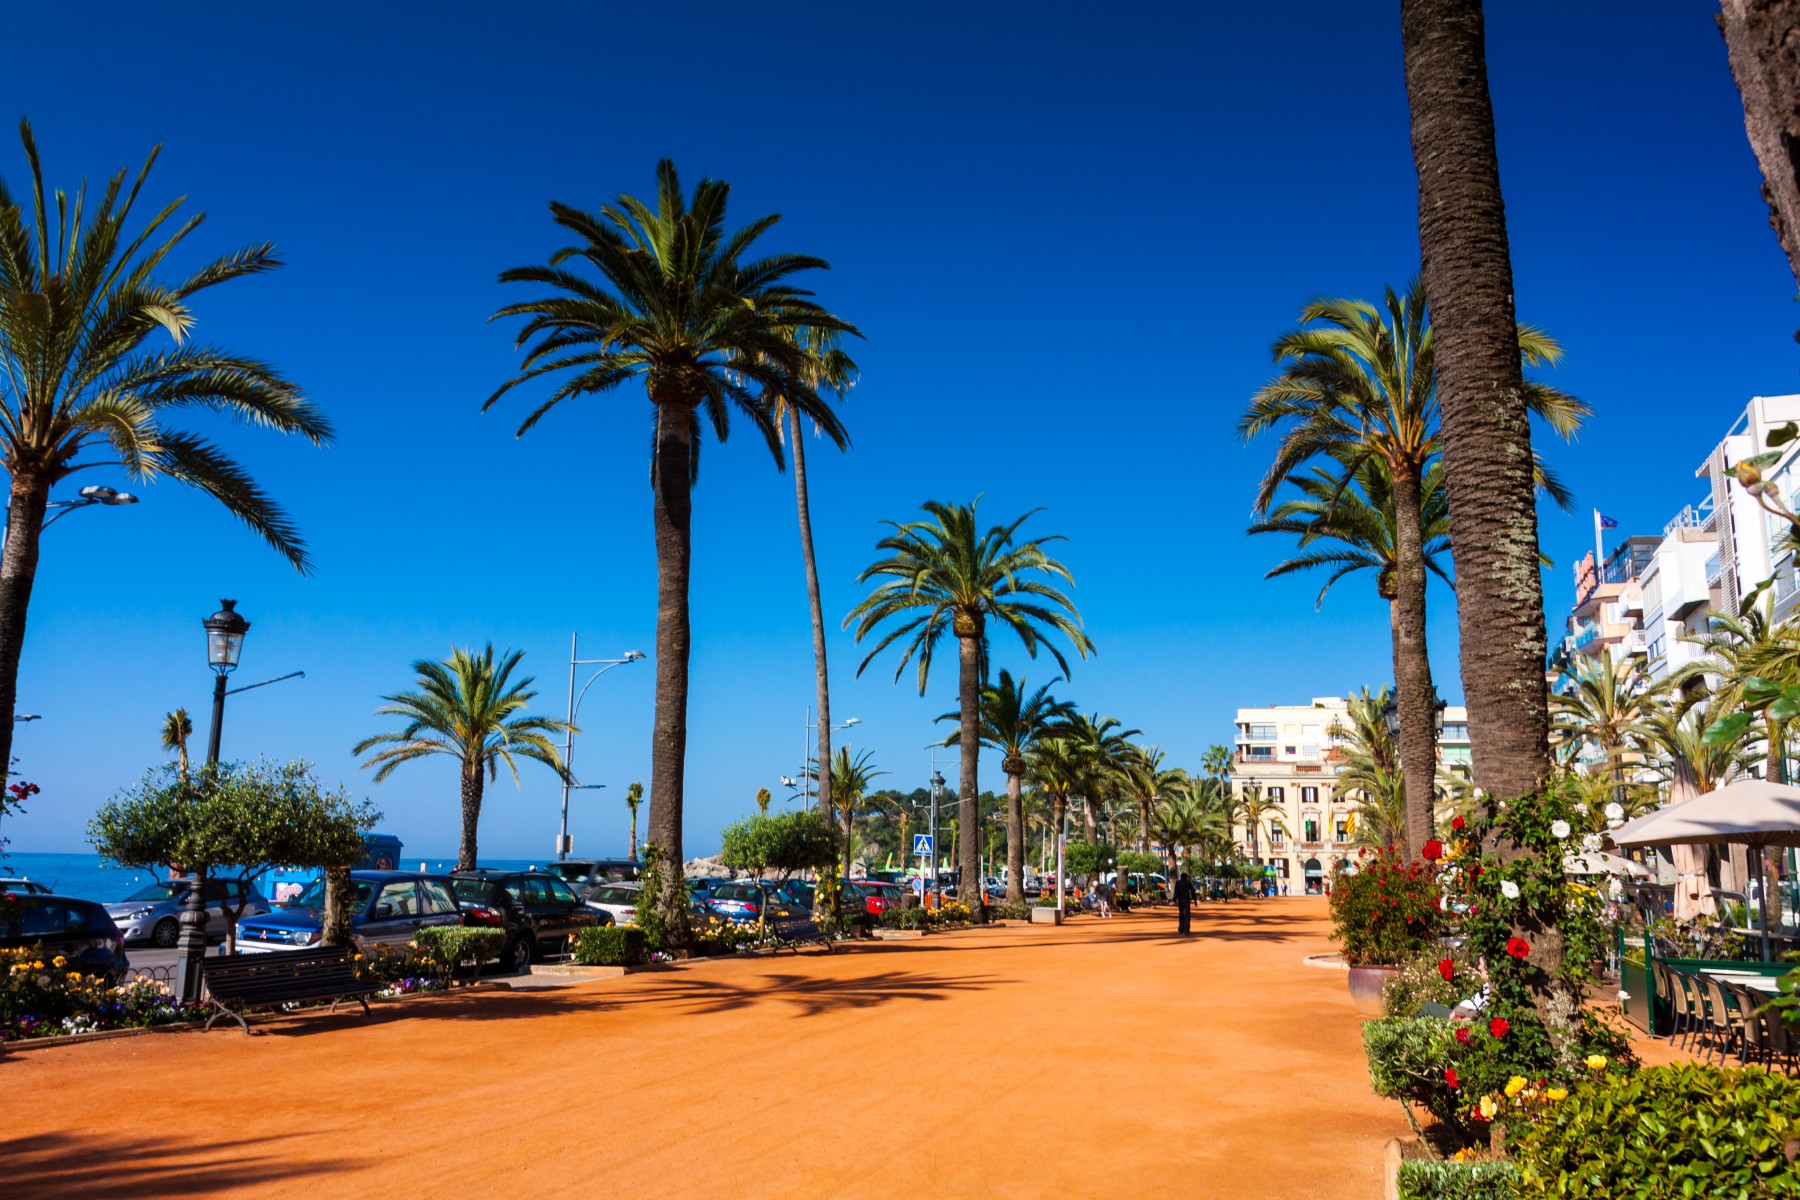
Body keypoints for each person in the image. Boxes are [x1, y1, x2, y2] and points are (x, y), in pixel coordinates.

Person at [1174, 871, 1193, 936]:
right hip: (1186, 900)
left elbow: (1176, 892)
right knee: (1187, 915)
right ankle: (1186, 931)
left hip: (1180, 900)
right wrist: (1195, 900)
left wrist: (1174, 900)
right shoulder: (1188, 883)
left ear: (1181, 877)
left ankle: (1180, 930)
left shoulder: (1178, 883)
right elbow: (1192, 891)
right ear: (1186, 877)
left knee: (1181, 914)